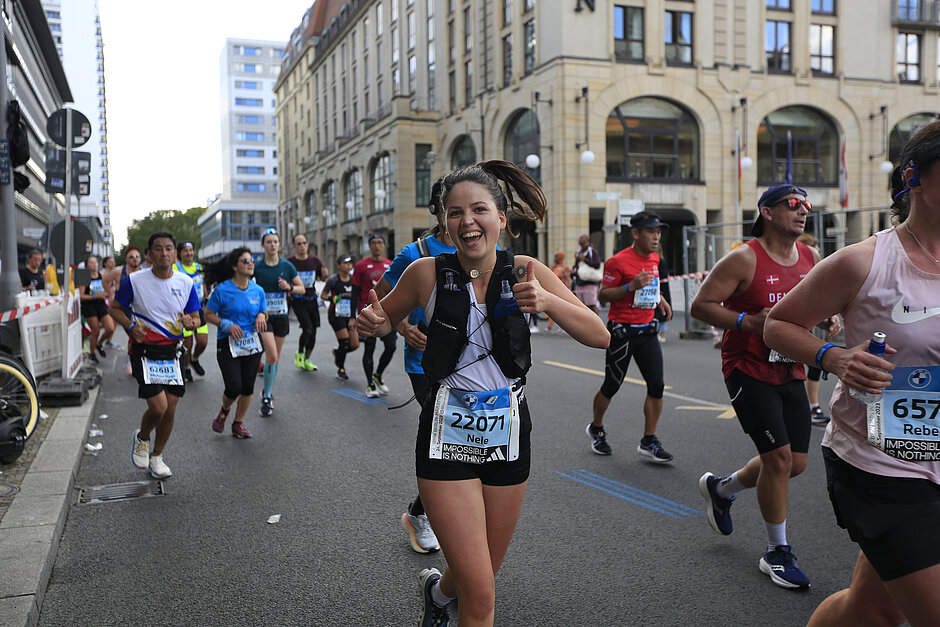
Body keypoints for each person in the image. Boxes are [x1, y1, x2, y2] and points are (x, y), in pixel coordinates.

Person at [357, 160, 609, 626]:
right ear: (445, 224)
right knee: (482, 596)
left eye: (478, 210)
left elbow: (600, 336)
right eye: (455, 213)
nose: (467, 220)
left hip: (508, 433)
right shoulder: (425, 272)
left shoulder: (527, 270)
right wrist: (376, 323)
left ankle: (436, 593)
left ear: (501, 219)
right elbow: (382, 317)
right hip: (445, 434)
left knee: (483, 574)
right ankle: (448, 596)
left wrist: (549, 301)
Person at [765, 122, 940, 625]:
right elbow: (779, 325)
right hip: (880, 465)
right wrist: (834, 357)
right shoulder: (864, 261)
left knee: (869, 609)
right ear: (915, 179)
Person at [690, 184, 840, 590]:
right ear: (768, 212)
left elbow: (819, 303)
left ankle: (721, 489)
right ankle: (777, 552)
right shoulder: (743, 258)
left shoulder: (810, 257)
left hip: (789, 367)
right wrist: (746, 322)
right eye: (793, 205)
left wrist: (827, 319)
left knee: (796, 463)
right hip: (748, 367)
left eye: (806, 205)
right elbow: (700, 306)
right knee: (777, 459)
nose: (803, 211)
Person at [373, 178, 451, 555]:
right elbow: (379, 299)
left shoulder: (489, 248)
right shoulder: (416, 252)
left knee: (462, 444)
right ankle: (421, 515)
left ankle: (434, 510)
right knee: (445, 436)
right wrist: (402, 326)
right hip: (424, 363)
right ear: (436, 211)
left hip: (471, 366)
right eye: (450, 207)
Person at [109, 231, 200, 479]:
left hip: (174, 352)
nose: (164, 253)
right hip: (145, 351)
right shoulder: (135, 281)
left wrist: (190, 322)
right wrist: (130, 327)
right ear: (149, 255)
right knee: (158, 408)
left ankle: (157, 456)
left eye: (169, 248)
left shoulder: (185, 282)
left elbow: (196, 317)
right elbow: (115, 309)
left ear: (175, 253)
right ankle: (142, 437)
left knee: (170, 410)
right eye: (158, 249)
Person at [586, 211, 674, 462]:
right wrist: (628, 287)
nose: (656, 237)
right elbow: (602, 296)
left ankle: (649, 440)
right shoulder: (617, 262)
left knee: (657, 386)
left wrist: (661, 299)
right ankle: (596, 428)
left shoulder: (655, 258)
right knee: (612, 385)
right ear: (636, 233)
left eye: (658, 232)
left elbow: (651, 285)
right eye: (651, 231)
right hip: (621, 331)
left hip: (647, 331)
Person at [204, 247, 267, 439]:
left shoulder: (258, 290)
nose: (250, 264)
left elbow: (264, 311)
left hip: (252, 344)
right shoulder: (222, 290)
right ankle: (224, 410)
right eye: (245, 261)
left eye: (251, 261)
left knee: (248, 387)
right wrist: (226, 324)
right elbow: (208, 314)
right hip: (228, 343)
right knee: (234, 387)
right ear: (234, 266)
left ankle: (237, 423)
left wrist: (261, 317)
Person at [252, 227, 304, 416]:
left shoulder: (286, 266)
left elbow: (302, 289)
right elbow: (245, 286)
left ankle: (267, 391)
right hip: (264, 317)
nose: (272, 245)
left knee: (275, 358)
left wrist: (289, 287)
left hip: (281, 316)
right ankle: (266, 396)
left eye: (275, 241)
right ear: (263, 245)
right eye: (269, 242)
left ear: (279, 244)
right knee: (271, 355)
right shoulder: (257, 266)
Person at [352, 233, 396, 397]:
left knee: (391, 347)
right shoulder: (361, 266)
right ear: (369, 246)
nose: (377, 246)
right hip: (367, 313)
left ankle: (378, 374)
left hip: (388, 314)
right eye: (373, 243)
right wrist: (352, 316)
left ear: (384, 246)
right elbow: (355, 293)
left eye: (380, 242)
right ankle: (370, 384)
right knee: (369, 350)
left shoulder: (391, 265)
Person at [288, 233, 327, 372]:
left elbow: (322, 278)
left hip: (312, 299)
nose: (302, 246)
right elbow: (286, 280)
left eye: (304, 243)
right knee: (307, 328)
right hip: (298, 300)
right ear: (294, 246)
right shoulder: (290, 262)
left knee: (314, 331)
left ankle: (307, 359)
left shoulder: (315, 260)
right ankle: (299, 352)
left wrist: (324, 275)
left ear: (308, 245)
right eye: (299, 244)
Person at [320, 254, 359, 380]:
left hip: (350, 315)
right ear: (338, 265)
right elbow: (323, 295)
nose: (348, 265)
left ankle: (338, 353)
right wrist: (332, 298)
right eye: (345, 263)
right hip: (336, 315)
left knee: (354, 345)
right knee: (345, 342)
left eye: (350, 263)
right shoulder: (333, 280)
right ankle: (341, 369)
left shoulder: (354, 279)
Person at [174, 241, 209, 381]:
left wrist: (206, 296)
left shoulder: (198, 266)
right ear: (179, 253)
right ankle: (186, 368)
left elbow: (203, 283)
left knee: (202, 342)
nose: (189, 253)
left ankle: (195, 359)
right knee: (187, 343)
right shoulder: (175, 268)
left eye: (191, 250)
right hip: (185, 311)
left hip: (199, 308)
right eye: (185, 251)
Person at [79, 255, 116, 364]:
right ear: (87, 265)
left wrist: (110, 295)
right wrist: (95, 296)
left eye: (95, 262)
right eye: (91, 262)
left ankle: (99, 344)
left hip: (101, 304)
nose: (94, 264)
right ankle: (92, 353)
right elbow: (81, 296)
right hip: (89, 305)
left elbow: (108, 288)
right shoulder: (84, 277)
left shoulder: (102, 275)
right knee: (95, 330)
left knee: (110, 328)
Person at [572, 234, 602, 314]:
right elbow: (577, 266)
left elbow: (597, 264)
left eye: (582, 237)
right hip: (579, 283)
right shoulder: (578, 252)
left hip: (589, 283)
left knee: (592, 305)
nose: (579, 239)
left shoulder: (591, 251)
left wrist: (585, 259)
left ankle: (597, 325)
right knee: (581, 306)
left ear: (587, 239)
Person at [546, 250, 571, 333]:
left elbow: (563, 279)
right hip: (555, 290)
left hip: (562, 291)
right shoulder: (555, 267)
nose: (554, 258)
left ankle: (563, 327)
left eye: (556, 256)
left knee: (561, 310)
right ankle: (549, 327)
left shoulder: (564, 267)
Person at [655, 257, 672, 343]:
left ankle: (661, 334)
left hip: (661, 290)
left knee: (661, 313)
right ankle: (660, 333)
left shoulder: (659, 261)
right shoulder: (660, 261)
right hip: (661, 290)